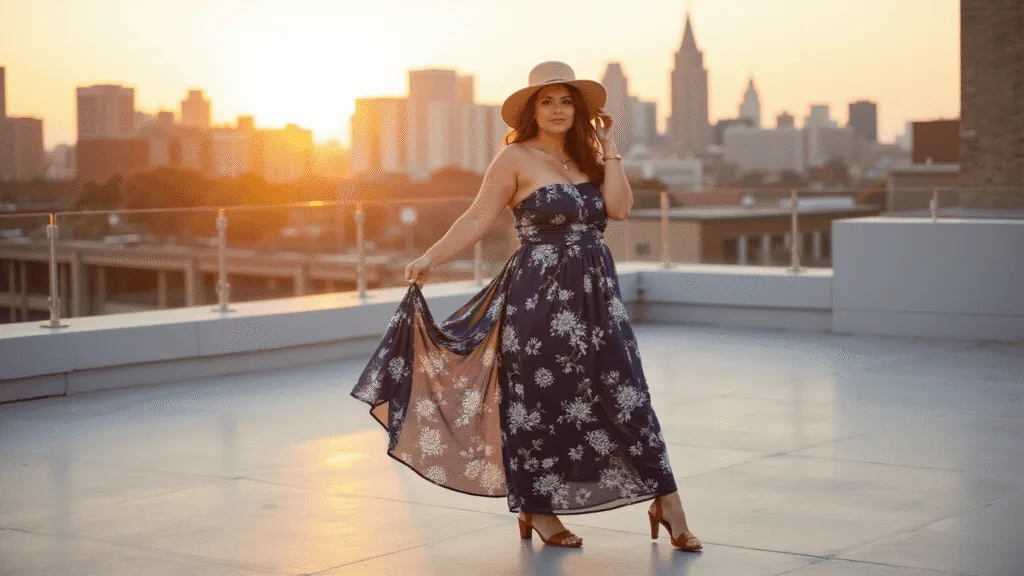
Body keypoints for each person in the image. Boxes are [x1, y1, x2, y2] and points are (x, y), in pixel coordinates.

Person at [351, 61, 702, 551]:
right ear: (531, 111)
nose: (557, 110)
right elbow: (478, 215)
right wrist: (430, 257)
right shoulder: (515, 158)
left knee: (626, 395)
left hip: (598, 297)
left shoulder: (590, 158)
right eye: (547, 101)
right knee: (541, 404)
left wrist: (611, 149)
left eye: (565, 102)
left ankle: (667, 502)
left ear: (578, 110)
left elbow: (619, 211)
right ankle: (537, 508)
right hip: (538, 297)